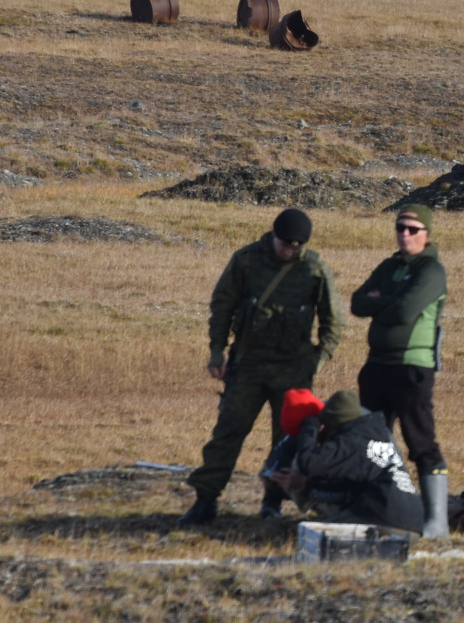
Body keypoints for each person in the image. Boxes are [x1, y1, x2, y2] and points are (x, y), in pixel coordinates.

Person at [181, 207, 341, 527]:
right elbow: (222, 304)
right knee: (227, 432)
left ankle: (273, 501)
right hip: (247, 366)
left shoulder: (314, 269)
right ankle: (205, 499)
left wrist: (317, 362)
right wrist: (217, 352)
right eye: (285, 244)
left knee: (286, 441)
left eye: (296, 246)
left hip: (294, 370)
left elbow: (333, 323)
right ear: (274, 235)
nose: (289, 250)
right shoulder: (246, 260)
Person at [349, 202, 449, 536]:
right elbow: (357, 303)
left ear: (427, 235)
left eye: (412, 230)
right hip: (376, 365)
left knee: (420, 442)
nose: (404, 235)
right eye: (400, 228)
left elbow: (406, 312)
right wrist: (388, 299)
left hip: (412, 369)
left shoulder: (431, 272)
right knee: (373, 442)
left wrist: (382, 300)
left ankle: (436, 521)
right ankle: (383, 508)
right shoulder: (389, 266)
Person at [277, 389, 423, 529]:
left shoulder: (351, 443)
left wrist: (310, 425)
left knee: (310, 535)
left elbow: (307, 462)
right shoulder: (374, 432)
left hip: (383, 519)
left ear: (334, 426)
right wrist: (307, 487)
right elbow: (346, 492)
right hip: (412, 520)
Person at [254, 387, 326, 517]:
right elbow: (279, 458)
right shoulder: (294, 438)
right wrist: (272, 474)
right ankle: (271, 504)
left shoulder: (339, 421)